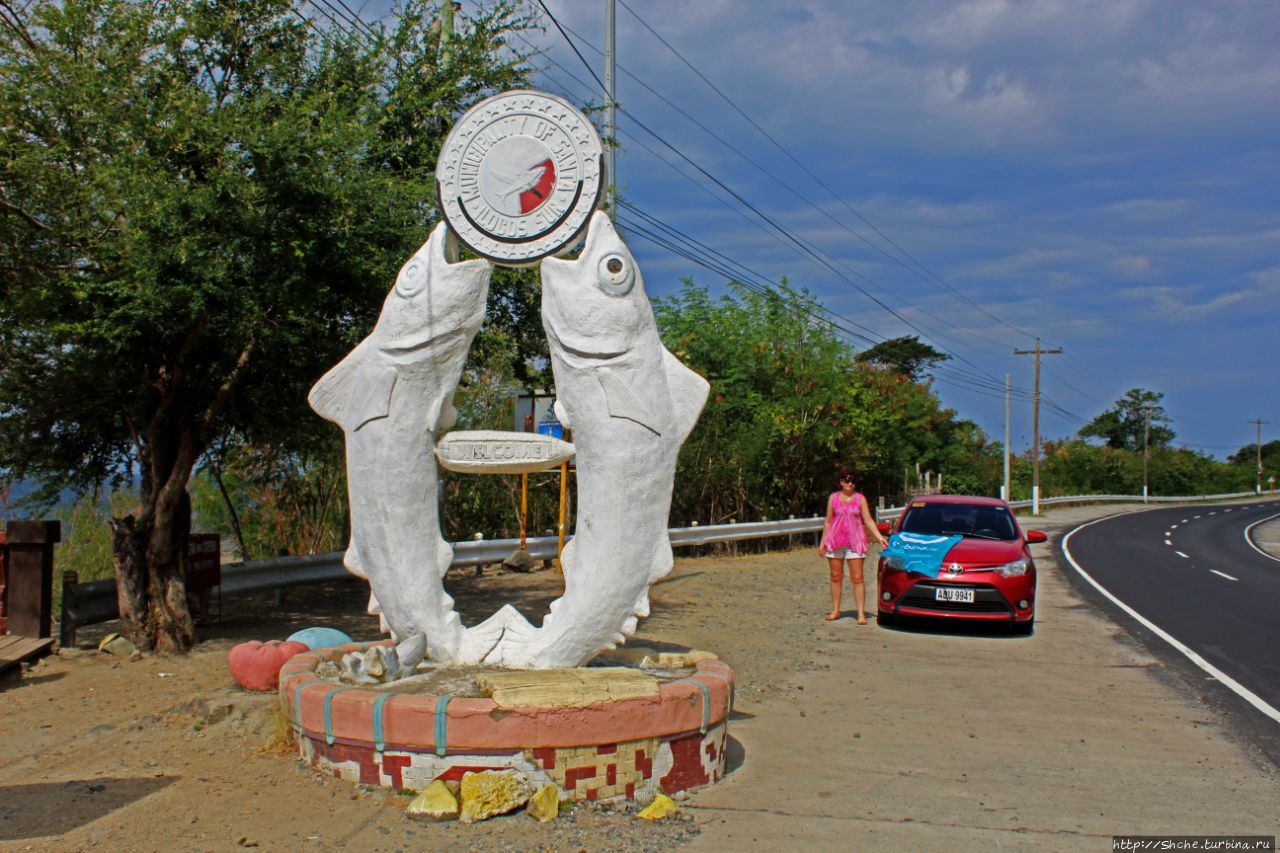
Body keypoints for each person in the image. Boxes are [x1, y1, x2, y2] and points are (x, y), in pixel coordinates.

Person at [818, 468, 888, 624]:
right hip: (835, 541)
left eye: (853, 481)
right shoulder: (833, 498)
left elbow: (868, 520)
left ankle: (861, 613)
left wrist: (879, 537)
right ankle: (836, 610)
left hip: (855, 542)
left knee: (857, 578)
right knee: (835, 576)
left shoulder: (860, 499)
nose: (850, 484)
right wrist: (822, 543)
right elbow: (828, 521)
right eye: (847, 480)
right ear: (841, 482)